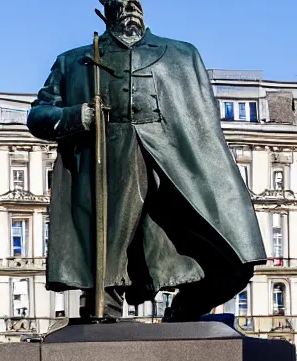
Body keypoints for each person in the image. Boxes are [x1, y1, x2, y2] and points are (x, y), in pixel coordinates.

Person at [27, 0, 266, 320]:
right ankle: (104, 305)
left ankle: (187, 307)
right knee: (107, 253)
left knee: (234, 255)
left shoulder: (181, 56)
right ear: (107, 8)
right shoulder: (75, 61)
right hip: (108, 168)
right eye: (120, 1)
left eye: (135, 1)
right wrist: (78, 115)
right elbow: (38, 116)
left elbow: (203, 122)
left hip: (177, 163)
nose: (129, 7)